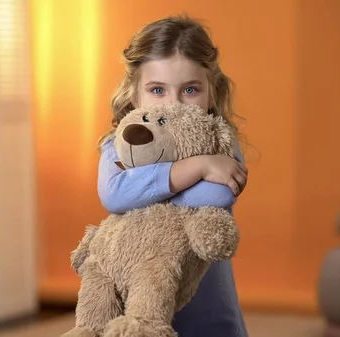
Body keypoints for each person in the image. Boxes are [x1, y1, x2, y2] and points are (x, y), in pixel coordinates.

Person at [96, 14, 249, 337]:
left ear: (211, 92)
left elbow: (218, 195)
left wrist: (146, 187)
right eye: (157, 90)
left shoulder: (218, 142)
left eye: (190, 89)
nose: (174, 103)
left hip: (211, 316)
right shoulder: (119, 145)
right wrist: (197, 168)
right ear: (135, 94)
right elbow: (115, 195)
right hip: (139, 310)